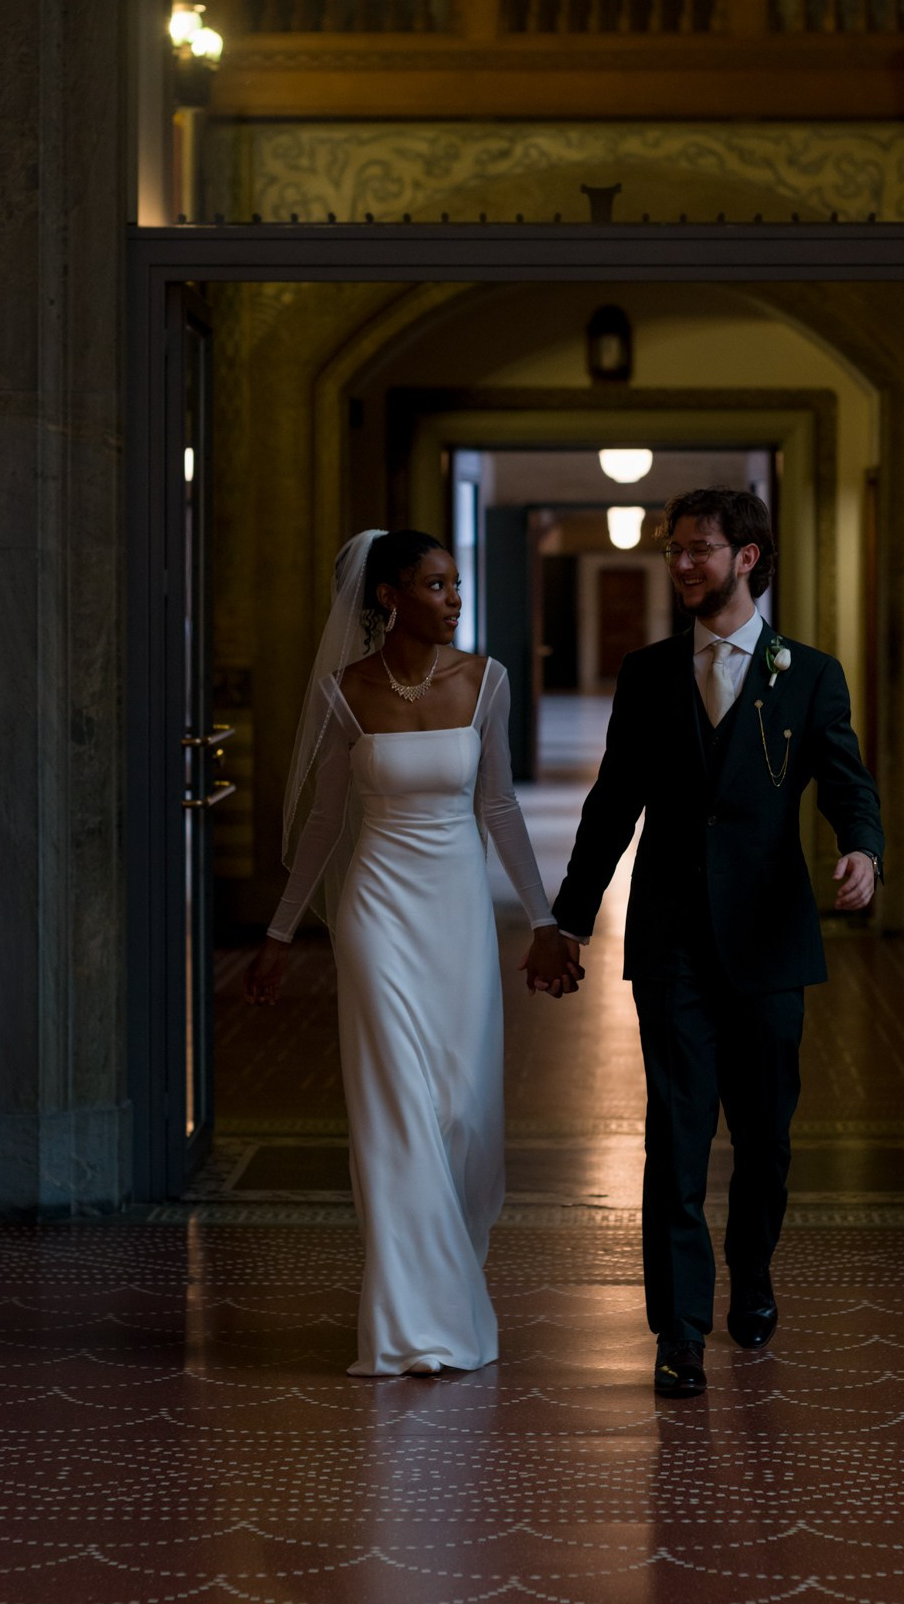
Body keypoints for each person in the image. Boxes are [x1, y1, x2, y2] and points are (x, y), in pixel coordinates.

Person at [532, 487, 884, 1399]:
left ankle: (754, 1277)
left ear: (748, 557)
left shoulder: (808, 674)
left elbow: (848, 782)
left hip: (770, 942)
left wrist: (863, 851)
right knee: (678, 1137)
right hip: (673, 940)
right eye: (674, 549)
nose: (682, 564)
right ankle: (680, 1329)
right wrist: (568, 919)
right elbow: (612, 805)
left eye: (699, 549)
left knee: (765, 1141)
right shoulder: (648, 673)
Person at [247, 528, 580, 1378]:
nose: (454, 600)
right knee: (396, 1113)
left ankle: (452, 1276)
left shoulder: (487, 681)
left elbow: (499, 807)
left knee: (465, 1113)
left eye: (457, 584)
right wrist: (282, 932)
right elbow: (324, 822)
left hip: (459, 912)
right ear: (389, 595)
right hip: (376, 914)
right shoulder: (342, 692)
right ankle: (408, 1325)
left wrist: (545, 920)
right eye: (436, 585)